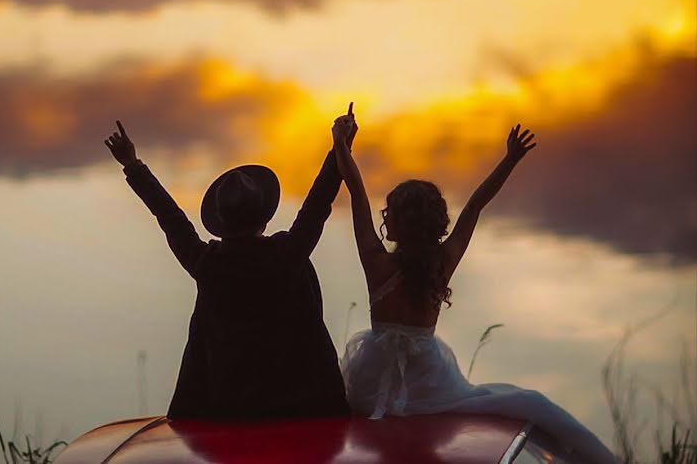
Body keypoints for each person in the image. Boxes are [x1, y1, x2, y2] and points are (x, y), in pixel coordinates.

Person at [332, 116, 619, 464]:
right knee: (524, 401)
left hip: (372, 384)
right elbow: (475, 205)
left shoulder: (375, 262)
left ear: (400, 222)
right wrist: (509, 160)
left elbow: (356, 190)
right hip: (428, 384)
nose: (383, 216)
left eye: (389, 212)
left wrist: (342, 141)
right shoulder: (443, 262)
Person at [104, 110, 355, 420]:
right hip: (304, 402)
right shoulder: (287, 253)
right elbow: (319, 203)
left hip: (229, 406)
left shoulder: (208, 264)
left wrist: (133, 165)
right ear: (264, 216)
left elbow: (169, 218)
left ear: (221, 221)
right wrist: (340, 147)